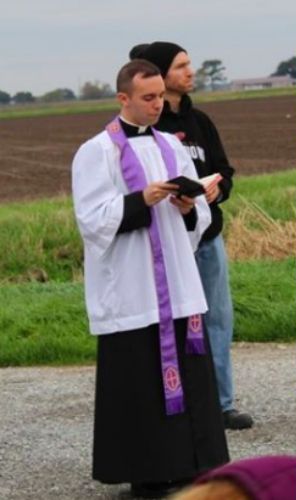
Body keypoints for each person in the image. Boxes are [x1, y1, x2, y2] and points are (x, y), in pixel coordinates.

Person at [71, 59, 229, 498]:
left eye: (160, 95)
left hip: (177, 283)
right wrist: (141, 199)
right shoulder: (97, 151)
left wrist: (190, 205)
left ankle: (195, 467)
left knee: (191, 378)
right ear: (123, 98)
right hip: (133, 288)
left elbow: (198, 219)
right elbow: (91, 220)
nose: (158, 104)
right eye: (148, 97)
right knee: (140, 384)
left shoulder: (170, 147)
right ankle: (149, 474)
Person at [129, 41, 253, 430]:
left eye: (189, 64)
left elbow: (225, 170)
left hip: (208, 236)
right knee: (172, 323)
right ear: (161, 74)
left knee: (218, 319)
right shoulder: (150, 127)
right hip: (169, 241)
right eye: (181, 66)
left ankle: (221, 404)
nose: (190, 71)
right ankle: (176, 402)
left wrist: (219, 190)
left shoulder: (202, 122)